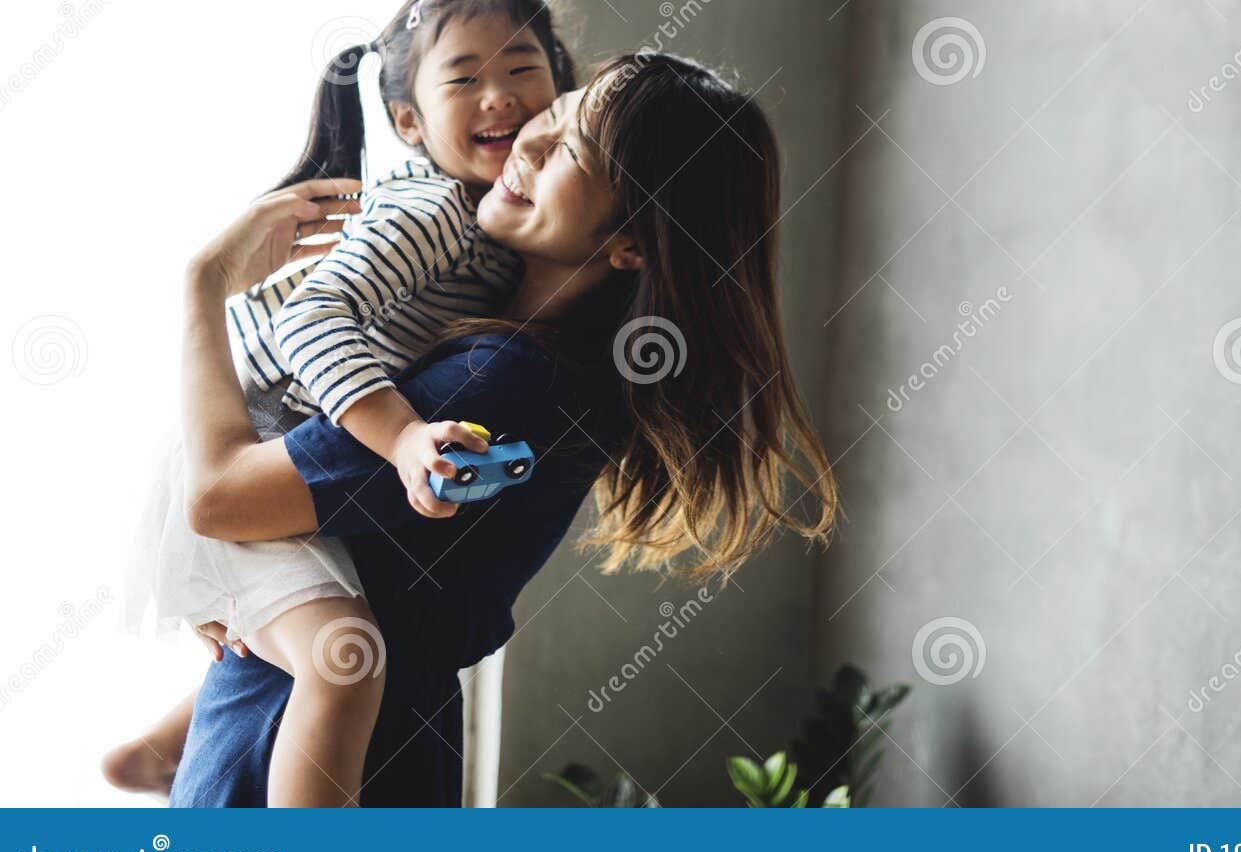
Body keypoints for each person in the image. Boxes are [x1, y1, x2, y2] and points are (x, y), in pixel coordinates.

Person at [164, 54, 837, 805]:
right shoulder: (554, 370)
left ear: (634, 245)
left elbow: (220, 498)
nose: (528, 145)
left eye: (571, 151)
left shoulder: (505, 379)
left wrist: (202, 287)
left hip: (292, 763)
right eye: (550, 118)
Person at [105, 0, 574, 805]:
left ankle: (154, 753)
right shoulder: (435, 213)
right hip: (249, 431)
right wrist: (400, 438)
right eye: (463, 78)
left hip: (276, 439)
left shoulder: (503, 240)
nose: (499, 96)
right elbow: (313, 316)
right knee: (343, 663)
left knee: (319, 629)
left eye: (523, 69)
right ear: (409, 122)